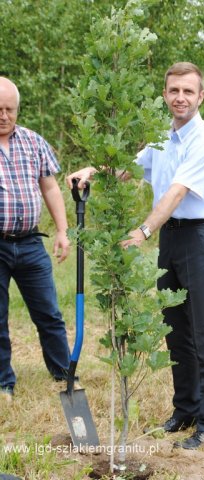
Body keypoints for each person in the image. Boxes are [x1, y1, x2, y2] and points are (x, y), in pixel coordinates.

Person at [67, 62, 204, 450]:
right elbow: (126, 172)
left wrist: (142, 230)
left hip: (198, 238)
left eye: (188, 91)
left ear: (200, 96)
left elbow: (175, 193)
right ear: (165, 94)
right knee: (176, 331)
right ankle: (185, 410)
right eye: (174, 91)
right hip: (170, 241)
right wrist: (93, 170)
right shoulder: (161, 138)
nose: (180, 98)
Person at [0, 77, 71, 403]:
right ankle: (4, 384)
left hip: (30, 243)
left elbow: (51, 187)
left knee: (49, 313)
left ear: (17, 109)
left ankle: (64, 374)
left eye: (9, 109)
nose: (3, 115)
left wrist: (61, 230)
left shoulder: (33, 141)